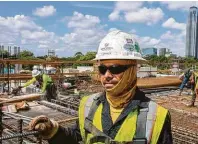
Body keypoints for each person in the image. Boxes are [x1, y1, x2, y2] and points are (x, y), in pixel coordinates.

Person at [27, 30, 173, 144]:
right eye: (103, 69)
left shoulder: (156, 116)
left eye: (115, 69)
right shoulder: (88, 105)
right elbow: (77, 137)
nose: (107, 75)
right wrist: (53, 131)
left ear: (133, 70)